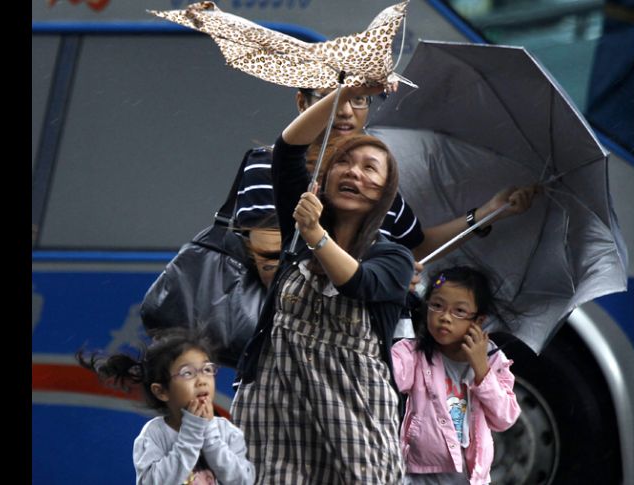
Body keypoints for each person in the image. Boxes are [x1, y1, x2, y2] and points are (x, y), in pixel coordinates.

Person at [230, 84, 415, 483]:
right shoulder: (299, 222)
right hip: (274, 410)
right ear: (326, 177)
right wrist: (347, 92)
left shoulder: (394, 258)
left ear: (385, 192)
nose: (354, 172)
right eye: (344, 163)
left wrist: (316, 235)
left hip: (355, 418)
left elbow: (358, 283)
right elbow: (288, 149)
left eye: (370, 168)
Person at [234, 87, 538, 263]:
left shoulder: (371, 183)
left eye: (358, 99)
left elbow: (414, 245)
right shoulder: (268, 167)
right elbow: (272, 259)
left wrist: (488, 213)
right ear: (303, 103)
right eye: (330, 97)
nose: (345, 111)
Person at [391, 266, 522, 485]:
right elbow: (392, 379)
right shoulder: (414, 352)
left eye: (459, 311)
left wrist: (481, 369)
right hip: (417, 471)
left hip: (469, 476)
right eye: (437, 306)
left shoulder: (492, 359)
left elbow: (504, 418)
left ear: (478, 321)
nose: (445, 318)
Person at [77, 328, 255, 485]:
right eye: (187, 373)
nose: (202, 381)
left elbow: (242, 480)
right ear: (161, 392)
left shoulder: (226, 431)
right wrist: (191, 433)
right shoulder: (154, 435)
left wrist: (210, 435)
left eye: (207, 370)